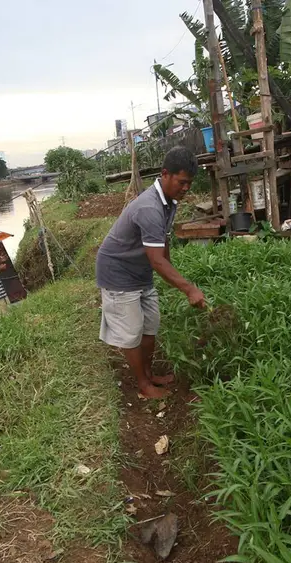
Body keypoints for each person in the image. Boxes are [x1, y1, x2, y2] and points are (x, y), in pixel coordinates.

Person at [95, 147, 207, 399]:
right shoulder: (149, 207)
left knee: (149, 326)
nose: (186, 188)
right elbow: (157, 260)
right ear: (165, 174)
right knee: (132, 332)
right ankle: (143, 385)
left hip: (140, 272)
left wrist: (173, 274)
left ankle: (148, 373)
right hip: (117, 272)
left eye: (189, 183)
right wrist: (188, 288)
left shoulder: (169, 202)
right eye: (182, 182)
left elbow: (161, 242)